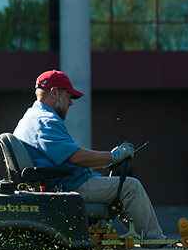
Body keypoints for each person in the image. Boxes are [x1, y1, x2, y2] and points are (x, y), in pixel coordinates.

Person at [13, 70, 166, 240]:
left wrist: (105, 161)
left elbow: (67, 158)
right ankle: (156, 242)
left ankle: (140, 237)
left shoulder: (29, 118)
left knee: (122, 185)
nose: (70, 103)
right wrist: (113, 156)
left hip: (60, 182)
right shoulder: (46, 121)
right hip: (67, 186)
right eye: (69, 97)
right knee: (131, 187)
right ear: (54, 92)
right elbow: (75, 157)